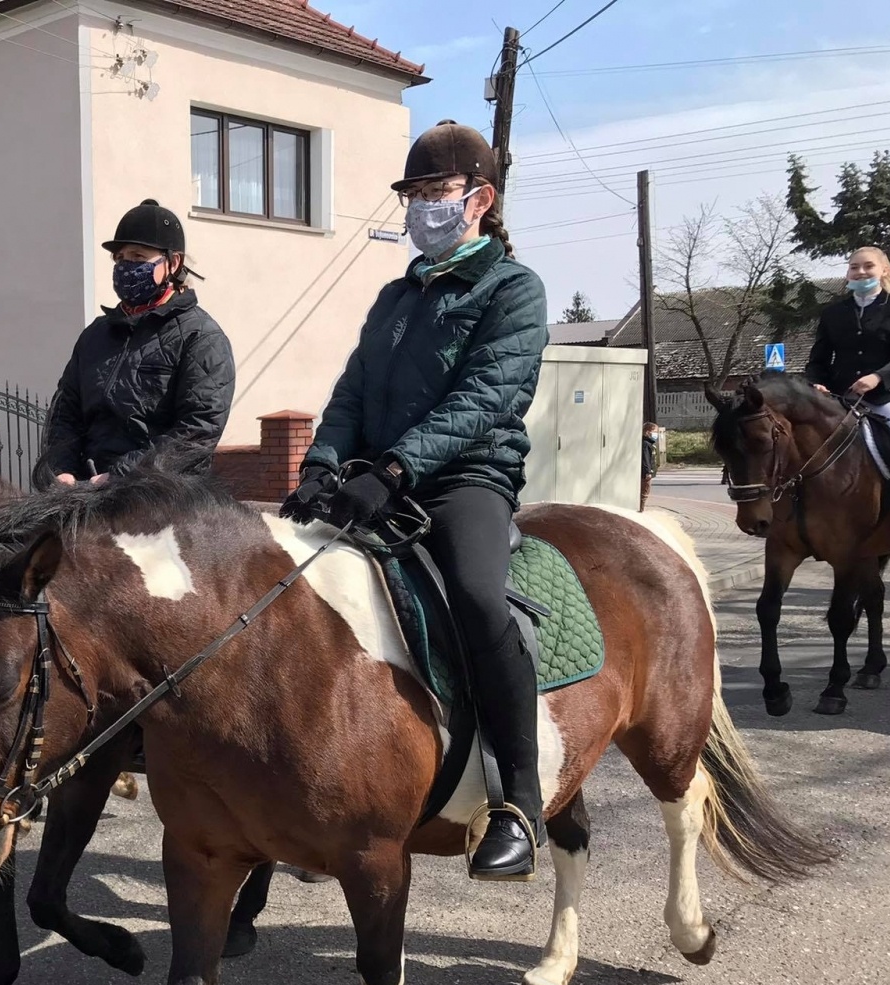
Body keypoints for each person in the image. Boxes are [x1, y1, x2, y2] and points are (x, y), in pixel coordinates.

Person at [280, 120, 550, 882]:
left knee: (473, 594)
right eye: (414, 195)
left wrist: (394, 469)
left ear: (480, 199)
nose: (422, 208)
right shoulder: (396, 296)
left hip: (466, 479)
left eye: (436, 193)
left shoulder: (513, 289)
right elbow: (353, 392)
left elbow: (486, 396)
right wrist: (322, 465)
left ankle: (518, 803)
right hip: (373, 476)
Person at [33, 200, 235, 488]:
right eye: (120, 258)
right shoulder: (94, 336)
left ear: (173, 263)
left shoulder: (202, 337)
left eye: (138, 257)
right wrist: (62, 469)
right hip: (86, 490)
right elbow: (65, 411)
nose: (126, 266)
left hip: (161, 496)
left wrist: (122, 476)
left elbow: (198, 430)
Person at [805, 246, 890, 417]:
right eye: (854, 267)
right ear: (848, 273)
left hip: (886, 397)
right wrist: (815, 383)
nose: (860, 272)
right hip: (840, 398)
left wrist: (878, 377)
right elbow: (818, 360)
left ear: (884, 270)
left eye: (869, 266)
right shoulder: (832, 313)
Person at [640, 422, 661, 513]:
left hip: (649, 472)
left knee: (646, 491)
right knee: (645, 491)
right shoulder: (645, 444)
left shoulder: (649, 443)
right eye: (655, 432)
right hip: (646, 473)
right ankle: (641, 509)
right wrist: (648, 471)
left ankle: (641, 508)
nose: (656, 434)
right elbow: (645, 458)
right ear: (648, 432)